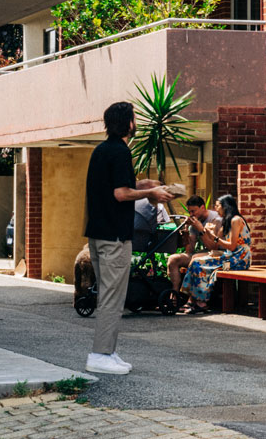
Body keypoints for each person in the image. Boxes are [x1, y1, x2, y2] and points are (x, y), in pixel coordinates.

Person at [83, 101, 172, 375]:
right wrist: (150, 194)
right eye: (135, 117)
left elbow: (117, 187)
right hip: (115, 237)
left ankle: (107, 350)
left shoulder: (101, 150)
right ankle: (100, 354)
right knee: (112, 298)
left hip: (98, 234)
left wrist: (142, 185)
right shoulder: (121, 152)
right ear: (127, 123)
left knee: (107, 295)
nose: (137, 122)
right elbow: (120, 194)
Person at [180, 194, 251, 313]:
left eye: (218, 206)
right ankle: (192, 300)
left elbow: (232, 246)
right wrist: (205, 232)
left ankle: (200, 302)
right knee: (197, 262)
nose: (215, 208)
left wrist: (214, 237)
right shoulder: (227, 222)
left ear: (225, 206)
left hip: (239, 260)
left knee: (200, 264)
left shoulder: (236, 220)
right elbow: (214, 245)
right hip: (230, 258)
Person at [166, 195, 221, 290]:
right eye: (189, 212)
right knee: (173, 259)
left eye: (193, 211)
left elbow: (213, 247)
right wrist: (187, 230)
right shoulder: (195, 222)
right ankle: (175, 292)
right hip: (205, 253)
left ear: (202, 207)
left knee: (195, 259)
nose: (191, 214)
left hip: (219, 253)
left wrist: (201, 230)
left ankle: (193, 296)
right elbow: (189, 250)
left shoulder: (215, 219)